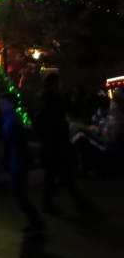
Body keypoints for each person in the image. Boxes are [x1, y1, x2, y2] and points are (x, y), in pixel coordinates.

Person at [33, 72, 88, 214]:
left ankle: (53, 203)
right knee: (64, 174)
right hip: (57, 143)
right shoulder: (55, 99)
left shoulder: (45, 99)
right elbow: (74, 110)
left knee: (59, 175)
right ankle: (75, 203)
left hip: (51, 143)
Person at [0, 93, 46, 236]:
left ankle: (37, 222)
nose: (1, 106)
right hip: (17, 161)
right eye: (0, 103)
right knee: (19, 193)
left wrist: (11, 160)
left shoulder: (12, 121)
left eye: (3, 103)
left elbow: (17, 145)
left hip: (17, 162)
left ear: (11, 105)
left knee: (18, 193)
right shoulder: (10, 119)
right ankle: (36, 222)